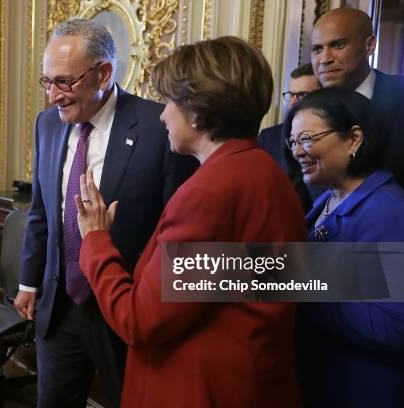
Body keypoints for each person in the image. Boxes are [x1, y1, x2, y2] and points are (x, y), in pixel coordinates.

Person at [75, 36, 306, 407]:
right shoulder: (265, 171)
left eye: (168, 102)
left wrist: (96, 240)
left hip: (197, 388)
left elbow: (139, 320)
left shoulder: (210, 193)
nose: (163, 115)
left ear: (198, 111)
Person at [14, 19, 195, 408]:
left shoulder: (159, 126)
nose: (54, 96)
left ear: (104, 73)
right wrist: (30, 282)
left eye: (64, 82)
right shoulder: (47, 125)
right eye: (47, 82)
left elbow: (173, 233)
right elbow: (42, 212)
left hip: (126, 311)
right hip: (59, 305)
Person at [286, 87, 404, 407]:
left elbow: (396, 326)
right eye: (293, 142)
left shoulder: (392, 212)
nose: (298, 151)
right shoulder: (328, 198)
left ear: (354, 138)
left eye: (307, 139)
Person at [307, 7, 404, 196]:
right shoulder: (307, 112)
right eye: (317, 49)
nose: (325, 59)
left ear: (369, 45)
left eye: (338, 45)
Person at [258, 63, 322, 211]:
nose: (293, 102)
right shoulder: (268, 138)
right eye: (291, 95)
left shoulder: (332, 138)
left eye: (302, 95)